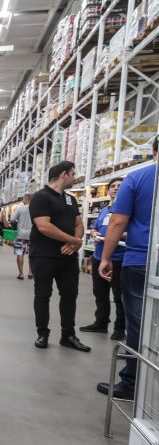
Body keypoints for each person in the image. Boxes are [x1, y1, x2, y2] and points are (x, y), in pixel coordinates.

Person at [97, 138, 157, 400]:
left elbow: (117, 222)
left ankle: (132, 383)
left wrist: (105, 257)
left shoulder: (137, 178)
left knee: (139, 324)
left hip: (141, 259)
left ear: (153, 151)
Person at [29, 161, 89, 352]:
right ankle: (42, 333)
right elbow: (44, 226)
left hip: (67, 258)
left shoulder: (70, 199)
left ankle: (68, 335)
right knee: (43, 295)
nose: (75, 177)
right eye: (73, 174)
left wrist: (74, 241)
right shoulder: (40, 197)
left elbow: (79, 224)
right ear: (64, 175)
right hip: (44, 256)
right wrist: (72, 240)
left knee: (70, 295)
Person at [80, 178, 126, 340]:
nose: (116, 189)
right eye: (113, 186)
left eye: (120, 186)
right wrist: (93, 233)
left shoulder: (129, 210)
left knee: (119, 295)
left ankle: (120, 328)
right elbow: (96, 227)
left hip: (119, 259)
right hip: (99, 256)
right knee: (100, 293)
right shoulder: (105, 210)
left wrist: (114, 236)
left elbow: (132, 232)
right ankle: (101, 323)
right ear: (108, 191)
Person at [10, 194, 33, 280]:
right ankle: (30, 272)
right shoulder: (35, 208)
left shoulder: (19, 209)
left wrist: (17, 222)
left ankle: (21, 274)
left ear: (25, 199)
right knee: (32, 254)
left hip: (20, 235)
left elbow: (12, 219)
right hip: (32, 236)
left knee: (20, 253)